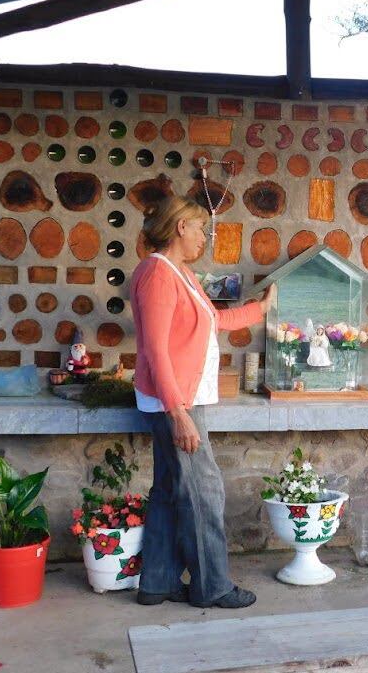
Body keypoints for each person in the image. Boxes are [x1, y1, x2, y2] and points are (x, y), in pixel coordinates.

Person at [130, 195, 275, 609]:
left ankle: (157, 583)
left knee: (169, 489)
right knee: (203, 491)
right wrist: (178, 413)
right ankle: (212, 586)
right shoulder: (157, 274)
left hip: (180, 399)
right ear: (180, 227)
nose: (204, 238)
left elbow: (216, 320)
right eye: (200, 229)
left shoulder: (182, 274)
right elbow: (156, 350)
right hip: (176, 402)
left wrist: (260, 309)